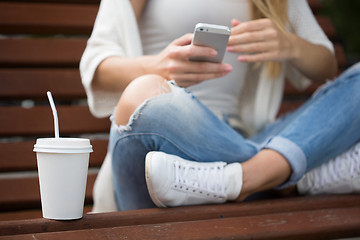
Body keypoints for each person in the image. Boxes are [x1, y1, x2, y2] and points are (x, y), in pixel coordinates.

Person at [80, 0, 360, 211]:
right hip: (164, 146)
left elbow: (328, 68)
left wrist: (291, 44)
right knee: (144, 93)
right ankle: (288, 171)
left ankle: (246, 177)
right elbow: (96, 64)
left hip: (241, 139)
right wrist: (156, 66)